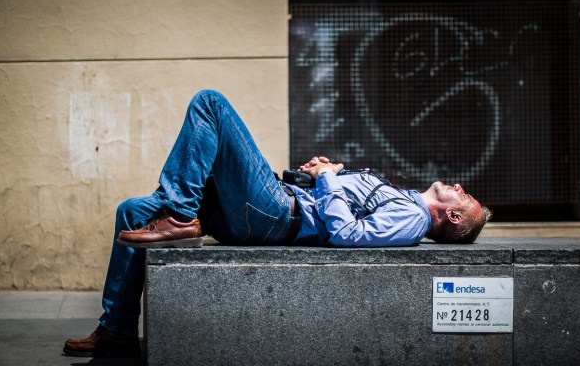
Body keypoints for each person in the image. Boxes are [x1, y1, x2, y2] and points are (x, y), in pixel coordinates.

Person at [63, 89, 491, 357]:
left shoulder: (412, 219)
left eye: (464, 195)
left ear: (452, 214)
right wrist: (323, 173)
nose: (458, 186)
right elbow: (339, 204)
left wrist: (328, 181)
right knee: (132, 212)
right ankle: (116, 331)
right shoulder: (402, 198)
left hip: (276, 214)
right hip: (275, 203)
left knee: (210, 104)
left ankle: (179, 214)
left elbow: (345, 234)